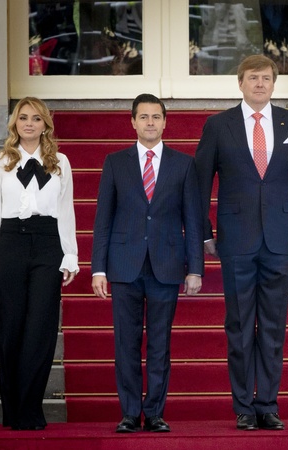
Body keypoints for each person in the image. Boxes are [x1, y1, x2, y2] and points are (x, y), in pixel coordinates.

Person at [195, 55, 288, 431]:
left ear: (274, 84)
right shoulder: (218, 125)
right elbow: (200, 183)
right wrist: (204, 232)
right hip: (236, 239)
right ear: (240, 83)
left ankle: (267, 404)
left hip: (281, 239)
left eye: (266, 78)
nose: (260, 84)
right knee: (239, 325)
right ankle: (244, 407)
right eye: (253, 78)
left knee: (274, 326)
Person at [91, 94, 204, 434]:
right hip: (124, 265)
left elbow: (193, 220)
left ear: (165, 122)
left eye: (156, 116)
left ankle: (154, 412)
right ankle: (129, 413)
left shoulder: (183, 164)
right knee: (125, 343)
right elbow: (103, 219)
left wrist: (195, 268)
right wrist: (99, 269)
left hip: (166, 265)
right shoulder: (115, 162)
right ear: (133, 122)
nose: (150, 122)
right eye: (144, 117)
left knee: (159, 344)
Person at [0, 97, 79, 430]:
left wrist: (70, 253)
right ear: (14, 124)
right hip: (9, 243)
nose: (29, 124)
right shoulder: (0, 161)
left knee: (41, 329)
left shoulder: (60, 161)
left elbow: (66, 210)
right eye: (23, 118)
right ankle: (13, 411)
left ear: (45, 124)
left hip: (48, 244)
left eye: (35, 118)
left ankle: (31, 410)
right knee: (10, 327)